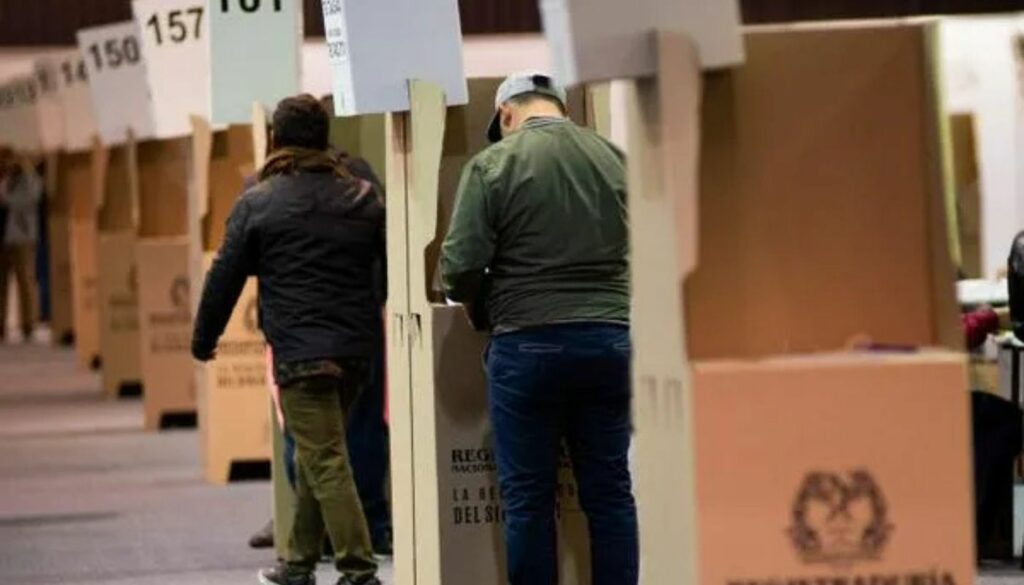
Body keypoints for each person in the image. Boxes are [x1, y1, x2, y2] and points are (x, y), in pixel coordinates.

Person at [440, 72, 638, 585]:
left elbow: (459, 267)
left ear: (507, 113)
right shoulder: (615, 159)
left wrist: (484, 308)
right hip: (610, 341)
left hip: (527, 344)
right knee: (611, 492)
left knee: (528, 499)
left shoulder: (493, 165)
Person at [191, 94, 384, 585]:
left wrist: (204, 338)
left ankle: (359, 570)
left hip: (301, 354)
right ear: (325, 139)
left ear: (276, 139)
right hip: (358, 351)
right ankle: (297, 565)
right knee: (322, 451)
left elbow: (224, 278)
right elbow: (388, 269)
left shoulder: (259, 199)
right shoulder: (363, 196)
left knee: (323, 458)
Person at [0, 152, 43, 342]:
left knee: (25, 279)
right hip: (3, 235)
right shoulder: (5, 177)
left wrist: (4, 194)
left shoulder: (29, 178)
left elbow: (28, 200)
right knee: (1, 282)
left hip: (21, 236)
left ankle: (29, 323)